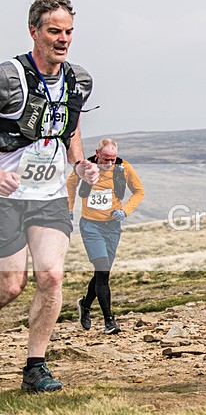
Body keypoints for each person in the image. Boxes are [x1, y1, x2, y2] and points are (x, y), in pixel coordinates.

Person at [0, 0, 99, 392]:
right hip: (7, 197)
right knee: (10, 286)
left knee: (52, 276)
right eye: (54, 31)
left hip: (50, 194)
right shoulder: (9, 79)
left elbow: (69, 123)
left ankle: (34, 368)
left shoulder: (78, 79)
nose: (63, 39)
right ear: (34, 32)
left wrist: (79, 163)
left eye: (69, 32)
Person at [67, 138, 144, 334]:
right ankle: (109, 321)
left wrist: (125, 211)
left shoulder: (123, 168)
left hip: (112, 228)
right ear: (97, 153)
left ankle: (85, 304)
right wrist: (68, 210)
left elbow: (138, 192)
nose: (109, 163)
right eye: (105, 159)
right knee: (102, 270)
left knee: (103, 273)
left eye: (113, 159)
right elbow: (70, 185)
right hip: (91, 226)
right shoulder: (85, 167)